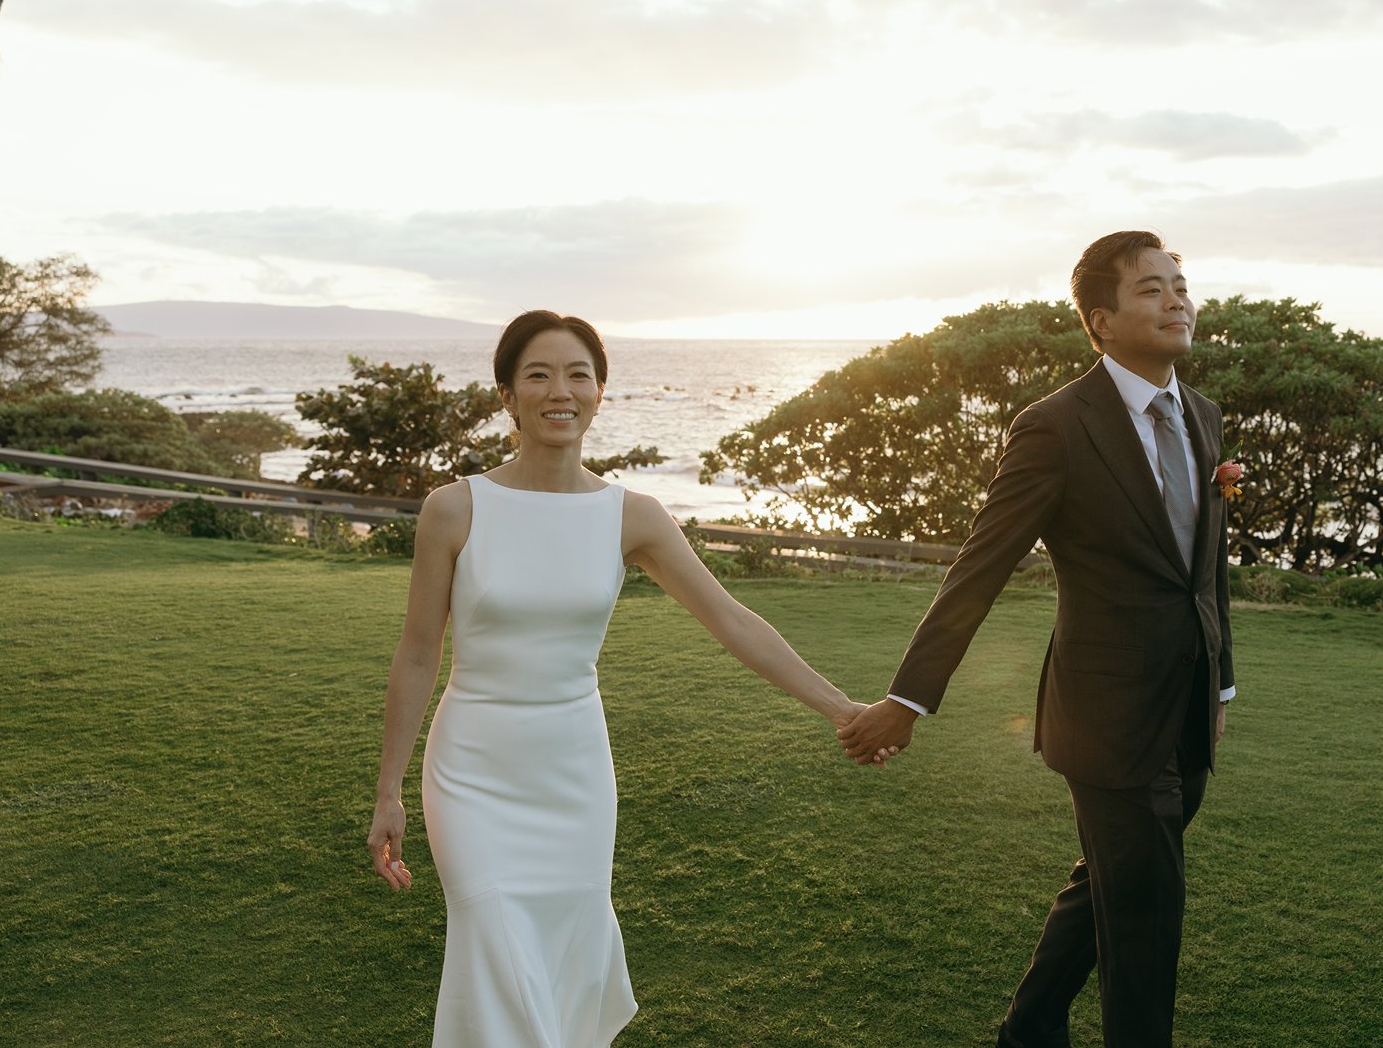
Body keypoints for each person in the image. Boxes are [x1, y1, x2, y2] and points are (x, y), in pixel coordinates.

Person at [366, 309, 866, 1048]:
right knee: (493, 940)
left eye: (578, 374)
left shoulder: (633, 516)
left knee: (566, 958)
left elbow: (733, 621)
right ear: (507, 394)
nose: (558, 390)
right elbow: (416, 653)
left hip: (574, 773)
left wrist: (841, 707)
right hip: (473, 767)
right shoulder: (455, 508)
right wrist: (388, 789)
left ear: (600, 391)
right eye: (538, 374)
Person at [839, 230, 1237, 1048]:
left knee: (1112, 886)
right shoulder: (1056, 427)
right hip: (1105, 718)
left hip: (1189, 705)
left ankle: (1029, 1026)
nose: (1176, 300)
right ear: (1101, 321)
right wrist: (909, 698)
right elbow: (980, 568)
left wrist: (1220, 680)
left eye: (1180, 284)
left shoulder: (1202, 414)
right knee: (1145, 924)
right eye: (1151, 290)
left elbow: (1205, 570)